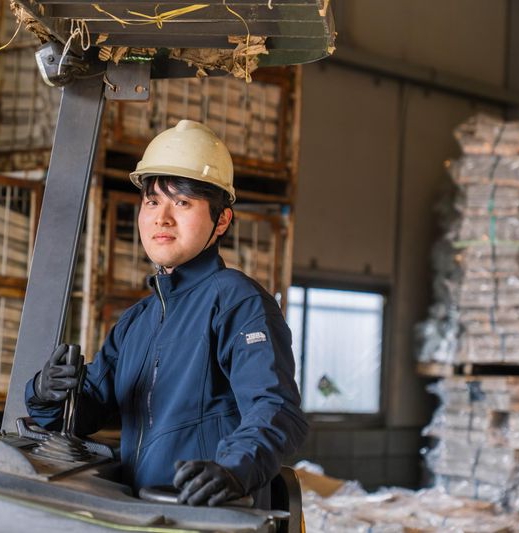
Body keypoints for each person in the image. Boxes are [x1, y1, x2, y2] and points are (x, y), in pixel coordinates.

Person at [25, 119, 307, 509]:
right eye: (153, 202)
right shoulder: (137, 320)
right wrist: (48, 393)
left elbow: (275, 409)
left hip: (206, 516)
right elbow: (87, 413)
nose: (162, 218)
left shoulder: (236, 302)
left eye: (183, 203)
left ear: (221, 220)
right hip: (144, 514)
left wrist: (233, 470)